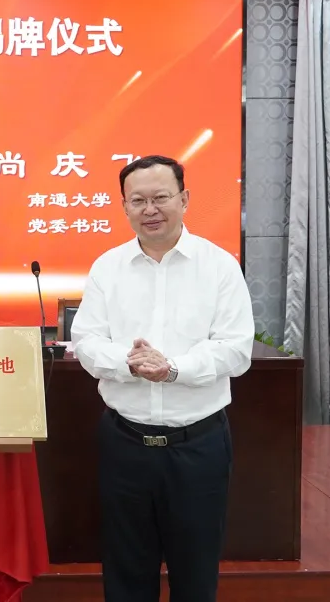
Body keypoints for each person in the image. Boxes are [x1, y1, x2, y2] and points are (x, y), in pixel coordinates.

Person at [70, 155, 254, 602]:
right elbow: (86, 340)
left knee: (195, 573)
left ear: (184, 199)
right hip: (125, 443)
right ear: (124, 207)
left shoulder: (219, 266)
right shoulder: (107, 267)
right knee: (126, 571)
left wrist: (172, 370)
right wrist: (129, 363)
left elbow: (235, 348)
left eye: (160, 198)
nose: (149, 209)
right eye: (138, 201)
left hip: (198, 445)